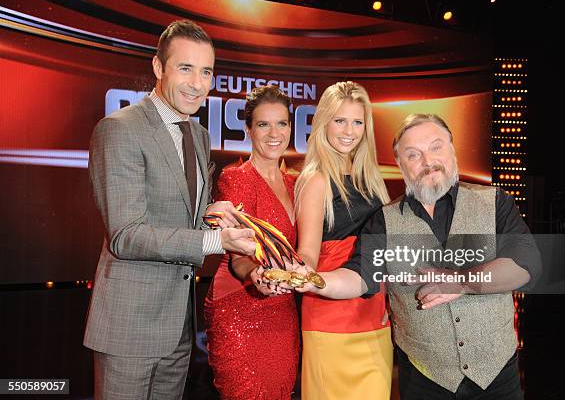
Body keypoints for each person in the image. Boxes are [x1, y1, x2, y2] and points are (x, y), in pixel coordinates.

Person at [296, 113, 542, 400]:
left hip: (497, 377)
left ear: (452, 149)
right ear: (401, 166)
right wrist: (315, 281)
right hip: (424, 382)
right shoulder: (384, 221)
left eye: (436, 147)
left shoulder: (495, 202)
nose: (427, 161)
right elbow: (358, 277)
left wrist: (461, 282)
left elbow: (527, 265)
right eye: (413, 155)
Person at [84, 20, 256, 400]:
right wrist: (217, 239)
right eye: (185, 68)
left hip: (178, 326)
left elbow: (179, 212)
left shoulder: (198, 134)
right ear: (159, 67)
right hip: (129, 326)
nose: (197, 82)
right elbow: (127, 234)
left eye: (206, 71)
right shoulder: (120, 129)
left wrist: (213, 210)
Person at [293, 81, 393, 399]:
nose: (349, 131)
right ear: (324, 123)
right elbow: (308, 250)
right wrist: (302, 273)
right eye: (339, 120)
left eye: (357, 122)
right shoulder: (316, 179)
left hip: (374, 320)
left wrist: (392, 301)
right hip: (330, 320)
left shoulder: (372, 178)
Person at [204, 85, 299, 399]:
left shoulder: (296, 183)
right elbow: (238, 255)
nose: (274, 133)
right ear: (248, 129)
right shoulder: (237, 178)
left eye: (282, 123)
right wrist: (255, 274)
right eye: (263, 124)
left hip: (283, 311)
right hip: (240, 307)